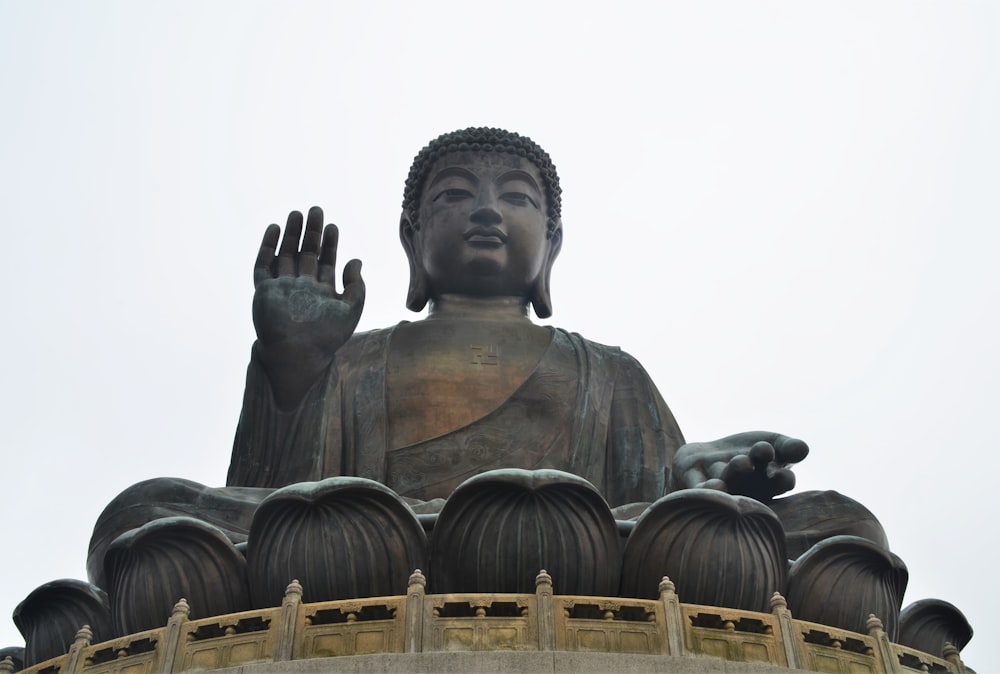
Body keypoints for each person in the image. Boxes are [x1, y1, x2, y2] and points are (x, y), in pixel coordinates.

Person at [226, 127, 809, 507]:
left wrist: (699, 490)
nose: (485, 210)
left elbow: (654, 518)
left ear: (551, 244)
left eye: (517, 197)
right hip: (376, 551)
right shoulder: (353, 362)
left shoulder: (611, 374)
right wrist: (293, 366)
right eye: (454, 195)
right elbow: (274, 503)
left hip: (578, 554)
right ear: (412, 236)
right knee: (147, 511)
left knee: (838, 522)